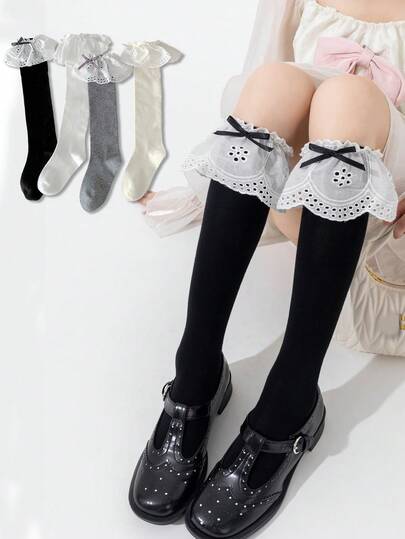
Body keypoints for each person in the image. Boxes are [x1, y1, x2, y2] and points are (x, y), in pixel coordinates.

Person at [129, 2, 405, 538]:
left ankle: (291, 399)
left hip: (386, 192)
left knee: (349, 97)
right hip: (304, 187)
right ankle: (195, 373)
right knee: (273, 82)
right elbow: (258, 78)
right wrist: (206, 194)